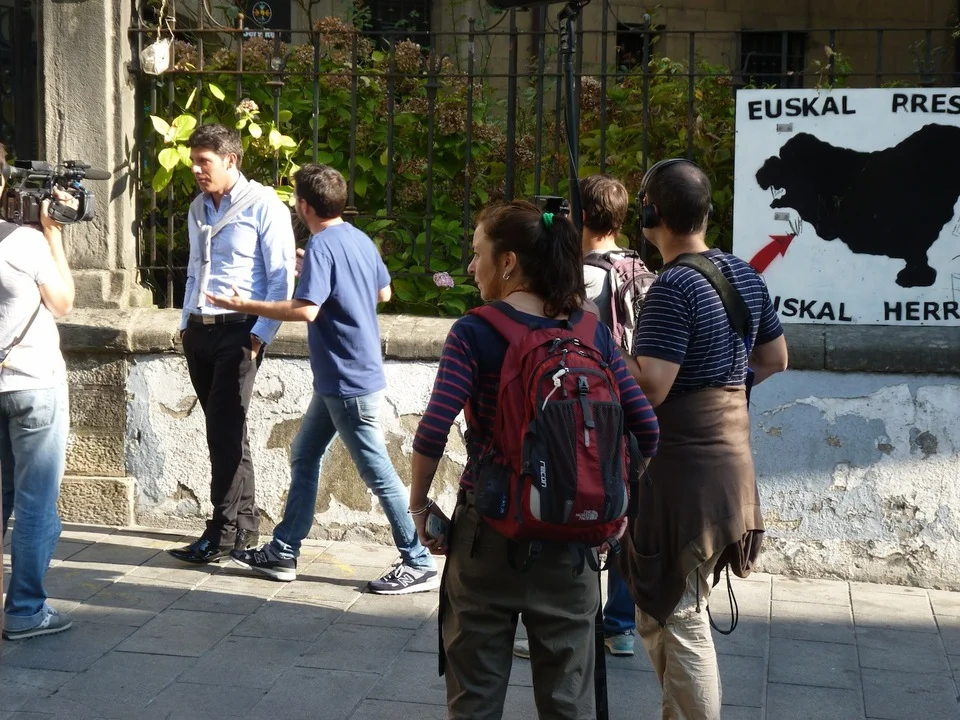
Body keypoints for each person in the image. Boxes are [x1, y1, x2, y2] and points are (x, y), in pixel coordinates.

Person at [409, 200, 660, 718]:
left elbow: (433, 430)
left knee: (474, 700)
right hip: (573, 542)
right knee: (568, 702)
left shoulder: (474, 332)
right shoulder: (591, 333)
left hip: (488, 534)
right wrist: (613, 507)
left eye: (477, 253)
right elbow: (647, 430)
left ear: (507, 262)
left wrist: (419, 507)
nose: (471, 267)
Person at [206, 163, 438, 595]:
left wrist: (246, 305)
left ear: (303, 206)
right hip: (342, 379)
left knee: (378, 473)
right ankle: (283, 551)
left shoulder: (323, 246)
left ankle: (418, 559)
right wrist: (318, 269)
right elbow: (382, 292)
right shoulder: (356, 239)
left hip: (347, 382)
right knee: (305, 453)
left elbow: (307, 310)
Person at [619, 158, 789, 720]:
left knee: (678, 615)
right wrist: (724, 390)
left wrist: (607, 353)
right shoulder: (743, 273)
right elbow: (775, 359)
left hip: (683, 475)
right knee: (671, 609)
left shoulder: (674, 287)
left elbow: (652, 386)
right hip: (730, 465)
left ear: (651, 215)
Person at [513, 174, 651, 661]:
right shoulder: (638, 266)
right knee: (620, 508)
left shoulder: (584, 276)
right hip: (631, 406)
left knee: (579, 502)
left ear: (584, 217)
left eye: (570, 213)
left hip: (587, 409)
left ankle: (575, 620)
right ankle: (620, 625)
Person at [167, 123, 295, 565]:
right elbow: (194, 269)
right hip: (199, 331)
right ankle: (244, 526)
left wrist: (261, 334)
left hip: (241, 332)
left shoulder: (264, 205)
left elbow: (281, 276)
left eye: (204, 162)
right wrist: (185, 323)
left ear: (230, 160)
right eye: (193, 162)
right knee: (227, 432)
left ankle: (220, 532)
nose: (196, 170)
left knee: (223, 433)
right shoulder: (198, 207)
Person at [0, 143, 78, 639]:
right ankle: (26, 611)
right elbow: (63, 302)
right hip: (32, 383)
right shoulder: (24, 243)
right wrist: (53, 233)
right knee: (35, 502)